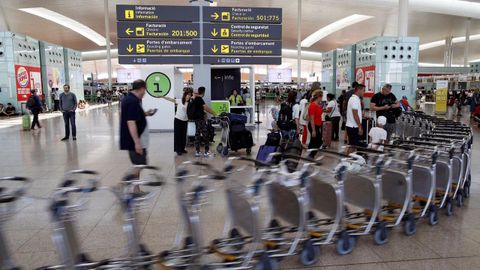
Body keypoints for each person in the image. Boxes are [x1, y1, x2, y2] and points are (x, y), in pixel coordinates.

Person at [120, 79, 157, 167]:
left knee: (139, 165)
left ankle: (133, 180)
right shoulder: (132, 101)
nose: (145, 93)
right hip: (135, 141)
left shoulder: (132, 99)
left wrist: (146, 113)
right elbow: (131, 122)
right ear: (141, 89)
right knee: (139, 166)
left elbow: (133, 116)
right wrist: (137, 143)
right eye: (145, 90)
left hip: (136, 141)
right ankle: (131, 180)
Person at [160, 88, 193, 156]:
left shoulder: (190, 103)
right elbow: (170, 99)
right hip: (178, 120)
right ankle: (178, 150)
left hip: (185, 120)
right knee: (178, 135)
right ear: (185, 95)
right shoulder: (180, 101)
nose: (188, 96)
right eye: (187, 94)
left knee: (183, 135)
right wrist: (162, 96)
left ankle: (182, 149)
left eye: (190, 95)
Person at [191, 86, 217, 157]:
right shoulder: (199, 99)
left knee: (197, 135)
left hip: (196, 119)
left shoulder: (195, 99)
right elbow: (206, 108)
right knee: (205, 135)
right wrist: (214, 113)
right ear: (203, 92)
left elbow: (201, 109)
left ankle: (197, 152)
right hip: (200, 120)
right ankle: (206, 152)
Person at [346, 84, 366, 148]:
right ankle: (346, 157)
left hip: (353, 125)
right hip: (353, 126)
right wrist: (360, 127)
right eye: (363, 90)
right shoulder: (354, 100)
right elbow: (355, 114)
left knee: (353, 146)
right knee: (353, 146)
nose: (364, 92)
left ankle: (349, 157)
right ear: (358, 90)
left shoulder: (355, 99)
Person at [307, 90, 324, 158]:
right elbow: (311, 119)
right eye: (322, 96)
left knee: (313, 140)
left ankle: (309, 152)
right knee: (319, 141)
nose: (322, 98)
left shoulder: (317, 105)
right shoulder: (313, 105)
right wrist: (314, 130)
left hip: (317, 125)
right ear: (319, 97)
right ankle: (311, 155)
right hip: (313, 126)